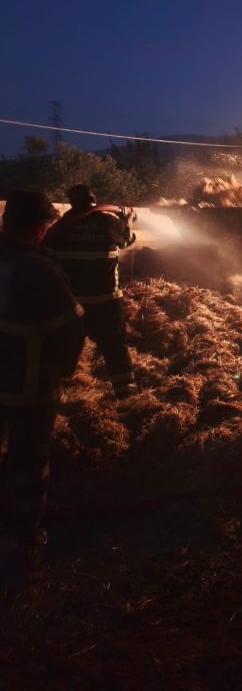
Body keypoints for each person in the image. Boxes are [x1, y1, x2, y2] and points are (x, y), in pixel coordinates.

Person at [0, 190, 85, 575]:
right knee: (27, 464)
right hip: (26, 384)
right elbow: (69, 331)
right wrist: (59, 371)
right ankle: (23, 545)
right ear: (40, 228)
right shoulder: (40, 271)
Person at [43, 184, 137, 398]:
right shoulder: (106, 221)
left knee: (66, 347)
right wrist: (128, 220)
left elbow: (47, 254)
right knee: (115, 346)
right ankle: (126, 395)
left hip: (72, 303)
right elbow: (127, 239)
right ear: (93, 198)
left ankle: (55, 392)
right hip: (106, 300)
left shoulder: (62, 226)